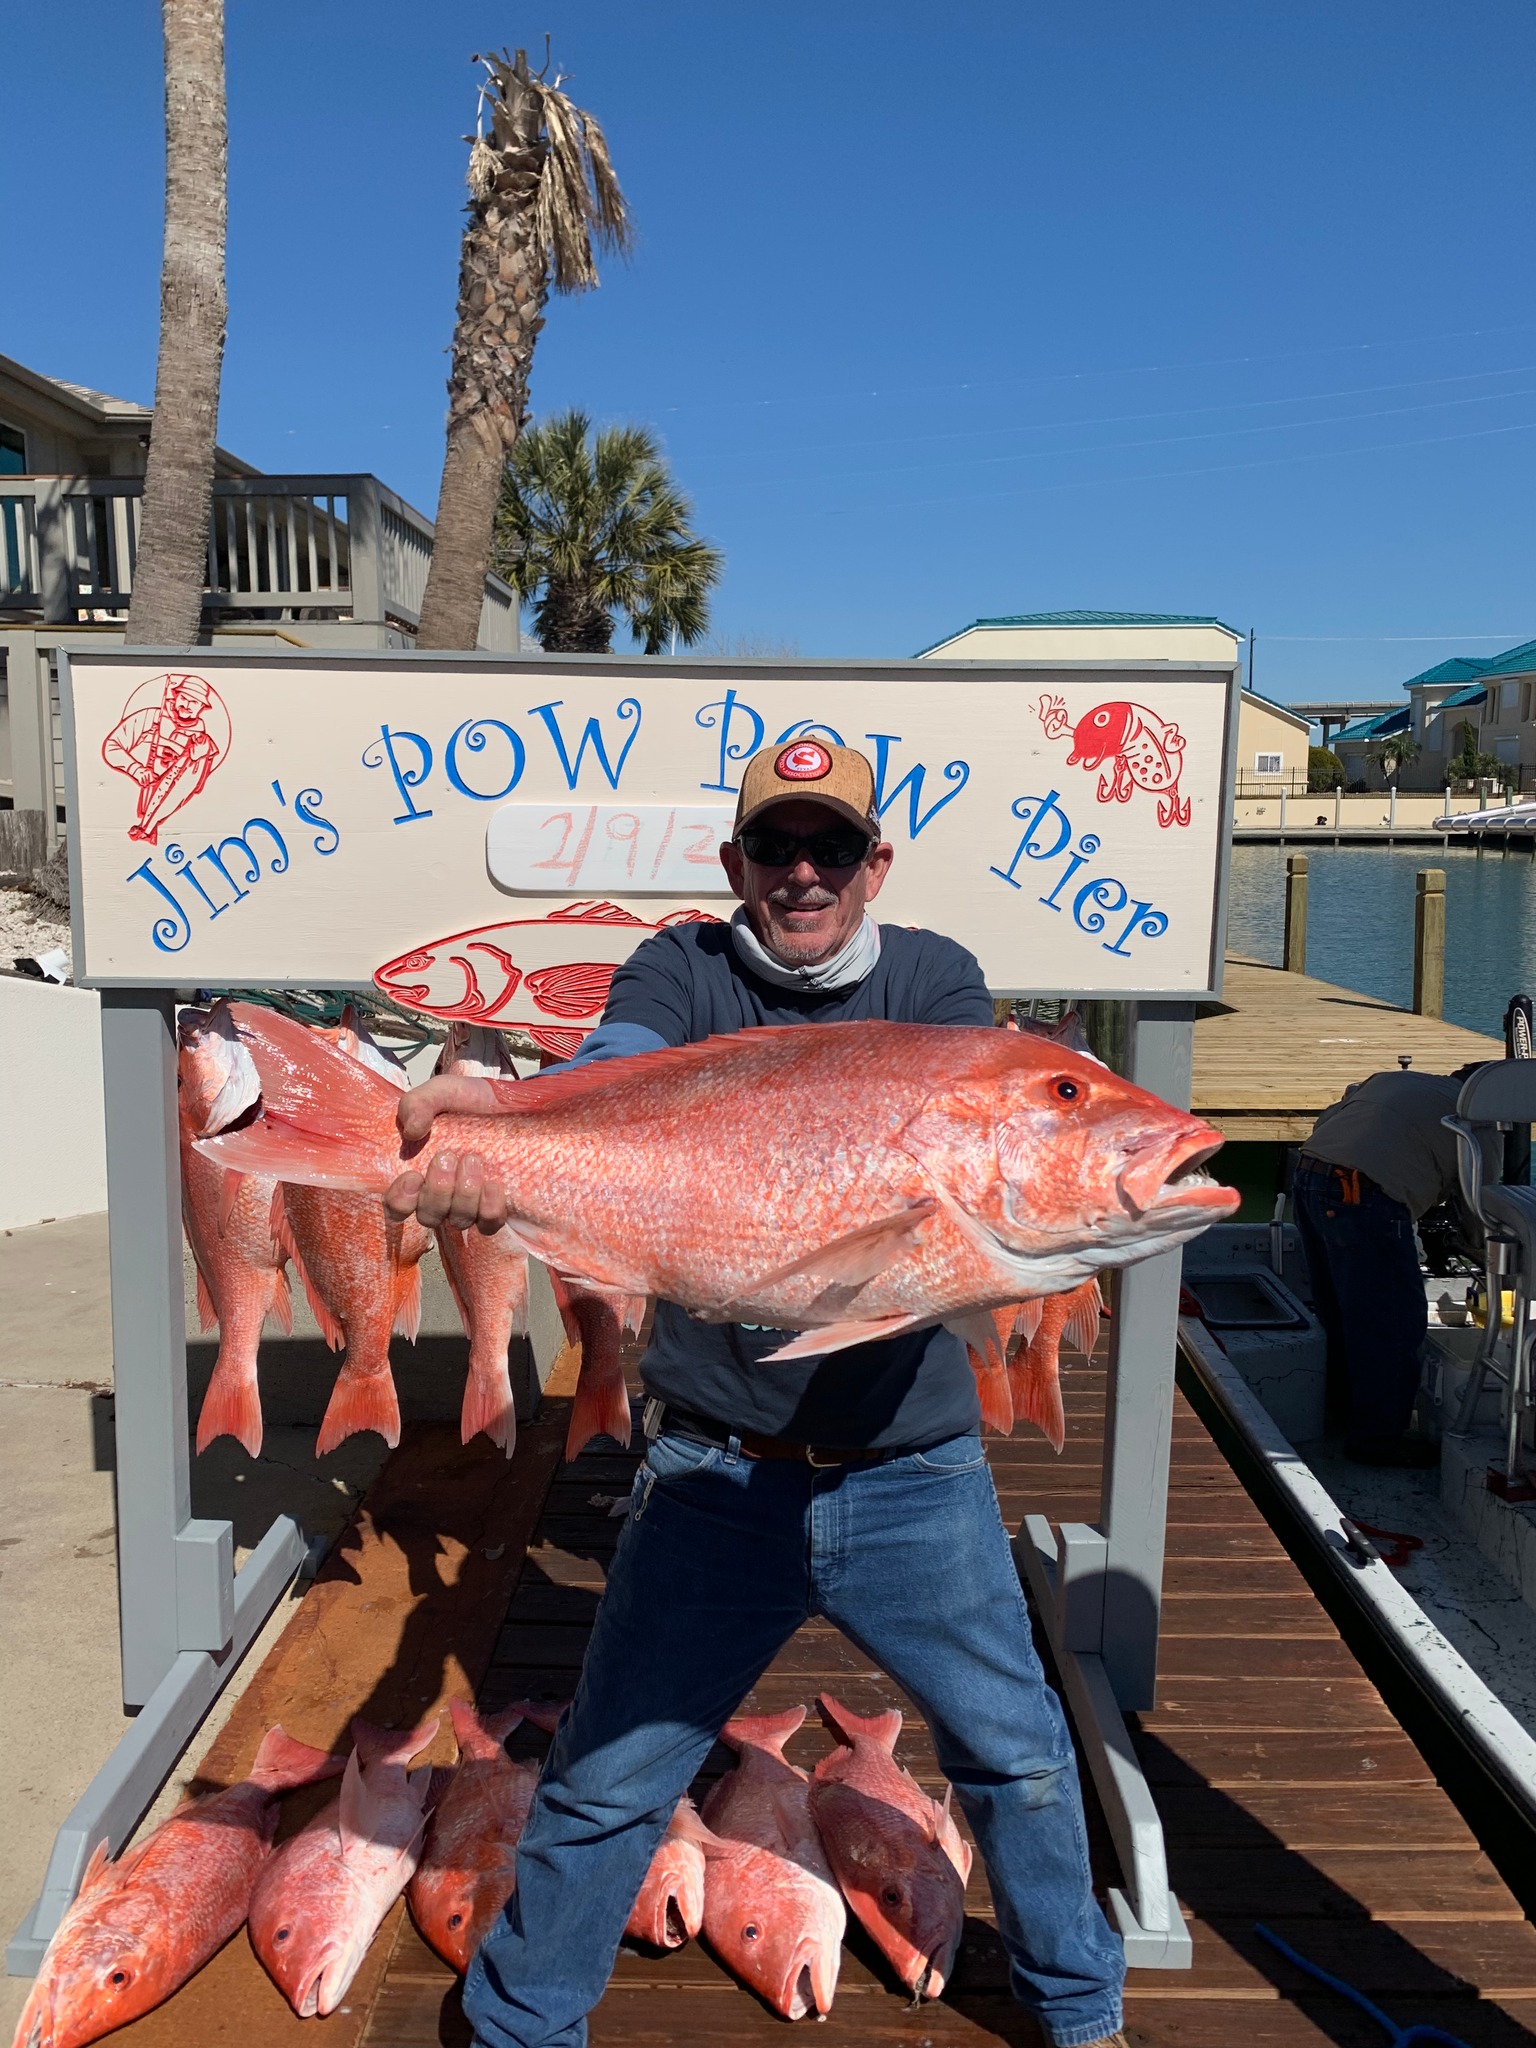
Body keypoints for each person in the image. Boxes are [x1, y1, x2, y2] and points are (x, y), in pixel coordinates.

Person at [386, 739, 1128, 2048]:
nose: (802, 873)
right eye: (775, 848)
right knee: (610, 1784)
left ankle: (1083, 2020)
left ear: (872, 865)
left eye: (830, 848)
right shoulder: (684, 967)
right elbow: (612, 1068)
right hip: (714, 1479)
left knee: (1020, 1757)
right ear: (736, 865)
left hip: (917, 1479)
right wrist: (501, 1127)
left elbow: (976, 1149)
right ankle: (514, 2030)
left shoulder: (935, 982)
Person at [1294, 1064, 1480, 1467]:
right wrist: (1483, 1253)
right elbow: (1478, 1207)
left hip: (1310, 1174)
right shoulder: (1479, 1120)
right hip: (1363, 1195)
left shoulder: (1396, 1080)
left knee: (1340, 1311)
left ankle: (1342, 1412)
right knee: (1392, 1321)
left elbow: (1333, 1114)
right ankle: (1377, 1441)